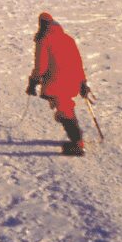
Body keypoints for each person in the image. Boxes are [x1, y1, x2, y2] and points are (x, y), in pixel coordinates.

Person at [28, 12, 92, 156]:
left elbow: (41, 66)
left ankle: (77, 144)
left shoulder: (43, 40)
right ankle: (76, 136)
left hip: (57, 81)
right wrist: (82, 82)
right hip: (72, 79)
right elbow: (77, 62)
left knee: (64, 110)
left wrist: (33, 82)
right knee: (66, 107)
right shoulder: (67, 38)